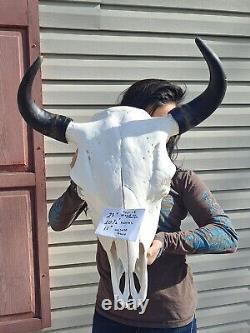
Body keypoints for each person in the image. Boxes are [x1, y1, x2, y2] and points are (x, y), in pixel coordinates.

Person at [48, 79, 239, 333]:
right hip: (111, 312)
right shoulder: (94, 176)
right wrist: (81, 178)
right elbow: (57, 221)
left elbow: (227, 236)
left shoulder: (180, 180)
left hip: (168, 317)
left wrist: (163, 243)